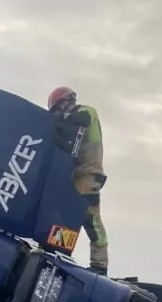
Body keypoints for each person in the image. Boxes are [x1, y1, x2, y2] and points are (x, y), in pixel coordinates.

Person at [48, 86, 108, 274]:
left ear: (67, 101)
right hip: (78, 176)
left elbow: (76, 120)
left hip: (89, 175)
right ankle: (60, 251)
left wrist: (55, 119)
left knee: (90, 219)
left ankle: (99, 266)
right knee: (67, 215)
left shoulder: (86, 113)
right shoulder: (71, 127)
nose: (58, 114)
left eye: (58, 109)